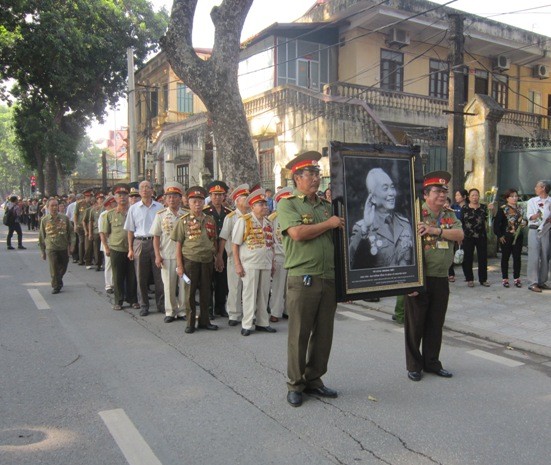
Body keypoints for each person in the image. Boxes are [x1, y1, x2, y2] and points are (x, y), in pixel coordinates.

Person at [277, 151, 344, 407]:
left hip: (327, 277)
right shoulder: (288, 204)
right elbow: (296, 233)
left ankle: (314, 379)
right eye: (310, 174)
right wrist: (329, 224)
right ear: (297, 178)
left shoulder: (327, 207)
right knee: (299, 335)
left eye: (318, 174)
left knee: (324, 333)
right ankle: (295, 384)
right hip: (302, 278)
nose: (316, 178)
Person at [404, 171, 463, 382]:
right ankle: (414, 365)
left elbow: (459, 235)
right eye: (437, 191)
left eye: (444, 190)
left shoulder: (449, 214)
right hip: (419, 277)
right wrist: (407, 281)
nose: (442, 194)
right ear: (426, 194)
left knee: (436, 322)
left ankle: (432, 362)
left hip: (440, 276)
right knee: (415, 324)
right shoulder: (414, 213)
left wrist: (435, 230)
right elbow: (403, 247)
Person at [171, 186, 218, 334]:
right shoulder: (182, 221)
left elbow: (214, 241)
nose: (197, 204)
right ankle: (190, 322)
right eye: (194, 201)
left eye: (200, 201)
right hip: (190, 260)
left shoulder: (210, 220)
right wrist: (179, 265)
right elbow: (178, 244)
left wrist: (216, 257)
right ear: (188, 203)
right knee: (190, 293)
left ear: (204, 202)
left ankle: (205, 320)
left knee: (206, 292)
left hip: (207, 261)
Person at [232, 188, 276, 336]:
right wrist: (237, 264)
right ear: (252, 206)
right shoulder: (244, 221)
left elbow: (272, 244)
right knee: (249, 295)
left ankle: (263, 322)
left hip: (266, 262)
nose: (265, 207)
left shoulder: (269, 222)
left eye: (265, 204)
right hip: (249, 264)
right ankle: (247, 323)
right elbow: (235, 245)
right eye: (261, 204)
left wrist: (273, 263)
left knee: (264, 294)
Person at [349, 167, 413, 269]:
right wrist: (365, 228)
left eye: (392, 187)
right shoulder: (362, 228)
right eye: (385, 188)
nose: (392, 193)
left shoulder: (405, 224)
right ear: (373, 197)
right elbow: (350, 262)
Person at [124, 180, 164, 316]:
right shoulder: (133, 208)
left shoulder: (160, 207)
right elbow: (130, 230)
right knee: (141, 275)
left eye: (148, 187)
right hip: (140, 242)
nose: (145, 190)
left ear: (152, 190)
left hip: (156, 242)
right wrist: (130, 248)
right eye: (142, 187)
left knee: (159, 275)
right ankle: (144, 305)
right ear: (139, 191)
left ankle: (161, 304)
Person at [150, 182, 187, 323]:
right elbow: (156, 237)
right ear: (165, 199)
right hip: (167, 255)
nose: (172, 199)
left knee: (183, 285)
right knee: (169, 285)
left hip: (184, 255)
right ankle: (170, 311)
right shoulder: (160, 215)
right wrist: (157, 255)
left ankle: (183, 310)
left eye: (175, 196)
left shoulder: (186, 215)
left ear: (180, 198)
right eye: (169, 197)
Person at [100, 184, 139, 311]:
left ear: (128, 196)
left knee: (132, 276)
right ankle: (118, 300)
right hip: (116, 249)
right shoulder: (109, 214)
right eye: (119, 195)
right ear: (115, 198)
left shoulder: (134, 212)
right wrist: (106, 247)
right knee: (118, 276)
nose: (122, 197)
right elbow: (104, 233)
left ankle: (133, 299)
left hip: (132, 248)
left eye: (125, 195)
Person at [216, 184, 250, 326]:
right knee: (235, 287)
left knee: (249, 288)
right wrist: (219, 256)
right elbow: (223, 238)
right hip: (233, 257)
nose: (248, 200)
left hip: (249, 257)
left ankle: (248, 314)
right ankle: (234, 314)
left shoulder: (251, 216)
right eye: (244, 198)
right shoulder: (231, 217)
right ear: (237, 201)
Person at [204, 180, 232, 318]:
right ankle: (208, 309)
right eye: (214, 194)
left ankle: (220, 307)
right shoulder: (204, 212)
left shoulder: (228, 212)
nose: (217, 197)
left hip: (225, 250)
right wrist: (215, 255)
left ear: (224, 196)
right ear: (210, 195)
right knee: (208, 281)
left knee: (223, 281)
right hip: (209, 250)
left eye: (220, 195)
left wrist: (220, 255)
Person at [38, 198, 75, 294]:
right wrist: (42, 251)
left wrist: (72, 245)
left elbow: (71, 233)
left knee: (64, 265)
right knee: (54, 267)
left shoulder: (64, 218)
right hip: (51, 247)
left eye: (56, 205)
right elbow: (42, 236)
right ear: (48, 207)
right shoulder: (44, 220)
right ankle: (56, 285)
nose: (54, 207)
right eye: (52, 205)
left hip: (63, 247)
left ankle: (58, 278)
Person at [268, 187, 293, 323]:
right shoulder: (273, 218)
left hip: (293, 256)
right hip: (279, 256)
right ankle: (275, 312)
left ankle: (288, 311)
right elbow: (269, 239)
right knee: (277, 286)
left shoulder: (295, 216)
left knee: (291, 287)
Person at [493, 189, 526, 288]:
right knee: (505, 258)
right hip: (506, 237)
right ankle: (505, 278)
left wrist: (525, 223)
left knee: (517, 258)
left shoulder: (520, 208)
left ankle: (517, 278)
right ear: (507, 198)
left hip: (518, 236)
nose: (515, 198)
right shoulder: (503, 209)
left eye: (516, 196)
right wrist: (500, 235)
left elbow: (524, 220)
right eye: (512, 196)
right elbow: (496, 224)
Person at [461, 188, 493, 287]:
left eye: (476, 195)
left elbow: (490, 220)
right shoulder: (464, 208)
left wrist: (492, 210)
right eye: (472, 195)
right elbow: (461, 222)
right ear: (469, 197)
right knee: (467, 257)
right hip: (467, 236)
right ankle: (469, 279)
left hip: (481, 236)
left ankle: (483, 279)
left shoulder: (484, 207)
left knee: (483, 258)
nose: (475, 197)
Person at [526, 180, 551, 293]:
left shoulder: (550, 201)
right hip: (534, 229)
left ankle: (542, 281)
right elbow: (529, 216)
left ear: (543, 188)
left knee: (545, 255)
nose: (535, 188)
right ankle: (533, 282)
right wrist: (537, 216)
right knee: (534, 256)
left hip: (546, 230)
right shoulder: (532, 201)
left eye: (537, 186)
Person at [98, 195, 117, 295]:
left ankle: (116, 283)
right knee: (109, 264)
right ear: (108, 205)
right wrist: (106, 246)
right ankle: (109, 285)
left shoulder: (118, 213)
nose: (115, 204)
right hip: (108, 243)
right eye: (113, 203)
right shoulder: (104, 215)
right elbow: (102, 232)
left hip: (117, 243)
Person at [74, 189, 94, 265]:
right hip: (80, 225)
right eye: (87, 196)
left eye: (89, 196)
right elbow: (76, 214)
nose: (88, 198)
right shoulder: (79, 204)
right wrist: (75, 225)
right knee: (81, 242)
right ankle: (81, 259)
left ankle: (87, 259)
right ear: (84, 196)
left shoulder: (91, 204)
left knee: (88, 244)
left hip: (89, 226)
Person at [87, 192, 105, 271]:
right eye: (99, 199)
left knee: (104, 248)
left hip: (104, 231)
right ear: (97, 200)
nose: (101, 200)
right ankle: (98, 263)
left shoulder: (106, 208)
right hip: (96, 231)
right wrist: (90, 233)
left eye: (102, 198)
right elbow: (90, 221)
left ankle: (102, 262)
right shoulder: (93, 209)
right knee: (97, 248)